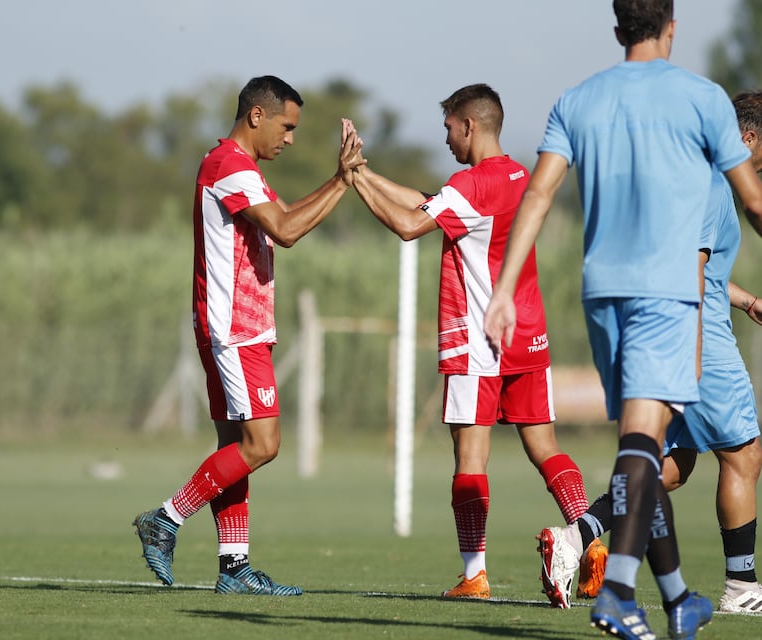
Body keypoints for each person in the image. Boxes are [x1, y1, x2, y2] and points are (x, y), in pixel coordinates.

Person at [483, 1, 762, 638]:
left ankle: (675, 596)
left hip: (602, 290)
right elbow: (751, 200)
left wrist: (503, 290)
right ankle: (615, 589)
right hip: (667, 293)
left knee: (651, 451)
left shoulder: (576, 99)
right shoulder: (702, 98)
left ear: (616, 31)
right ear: (671, 26)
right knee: (651, 444)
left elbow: (540, 194)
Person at [341, 84, 604, 600]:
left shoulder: (472, 182)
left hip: (477, 338)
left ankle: (474, 573)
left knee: (469, 459)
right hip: (527, 333)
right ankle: (588, 541)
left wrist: (352, 183)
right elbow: (429, 203)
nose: (446, 139)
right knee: (544, 446)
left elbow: (408, 224)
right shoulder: (518, 176)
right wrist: (365, 174)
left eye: (448, 129)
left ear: (469, 125)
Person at [133, 75, 363, 596]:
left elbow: (283, 226)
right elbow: (285, 229)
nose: (290, 138)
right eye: (287, 126)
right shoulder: (229, 167)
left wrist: (341, 181)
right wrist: (340, 180)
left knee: (234, 446)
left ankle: (234, 567)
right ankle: (165, 519)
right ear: (256, 116)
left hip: (234, 327)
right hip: (234, 329)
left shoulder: (242, 170)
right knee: (264, 443)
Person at [539, 89, 762, 616]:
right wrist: (694, 355)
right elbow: (689, 268)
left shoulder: (690, 178)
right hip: (699, 340)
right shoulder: (713, 185)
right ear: (747, 138)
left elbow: (702, 271)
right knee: (745, 455)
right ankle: (742, 586)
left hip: (686, 330)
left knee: (673, 466)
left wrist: (747, 299)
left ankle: (573, 541)